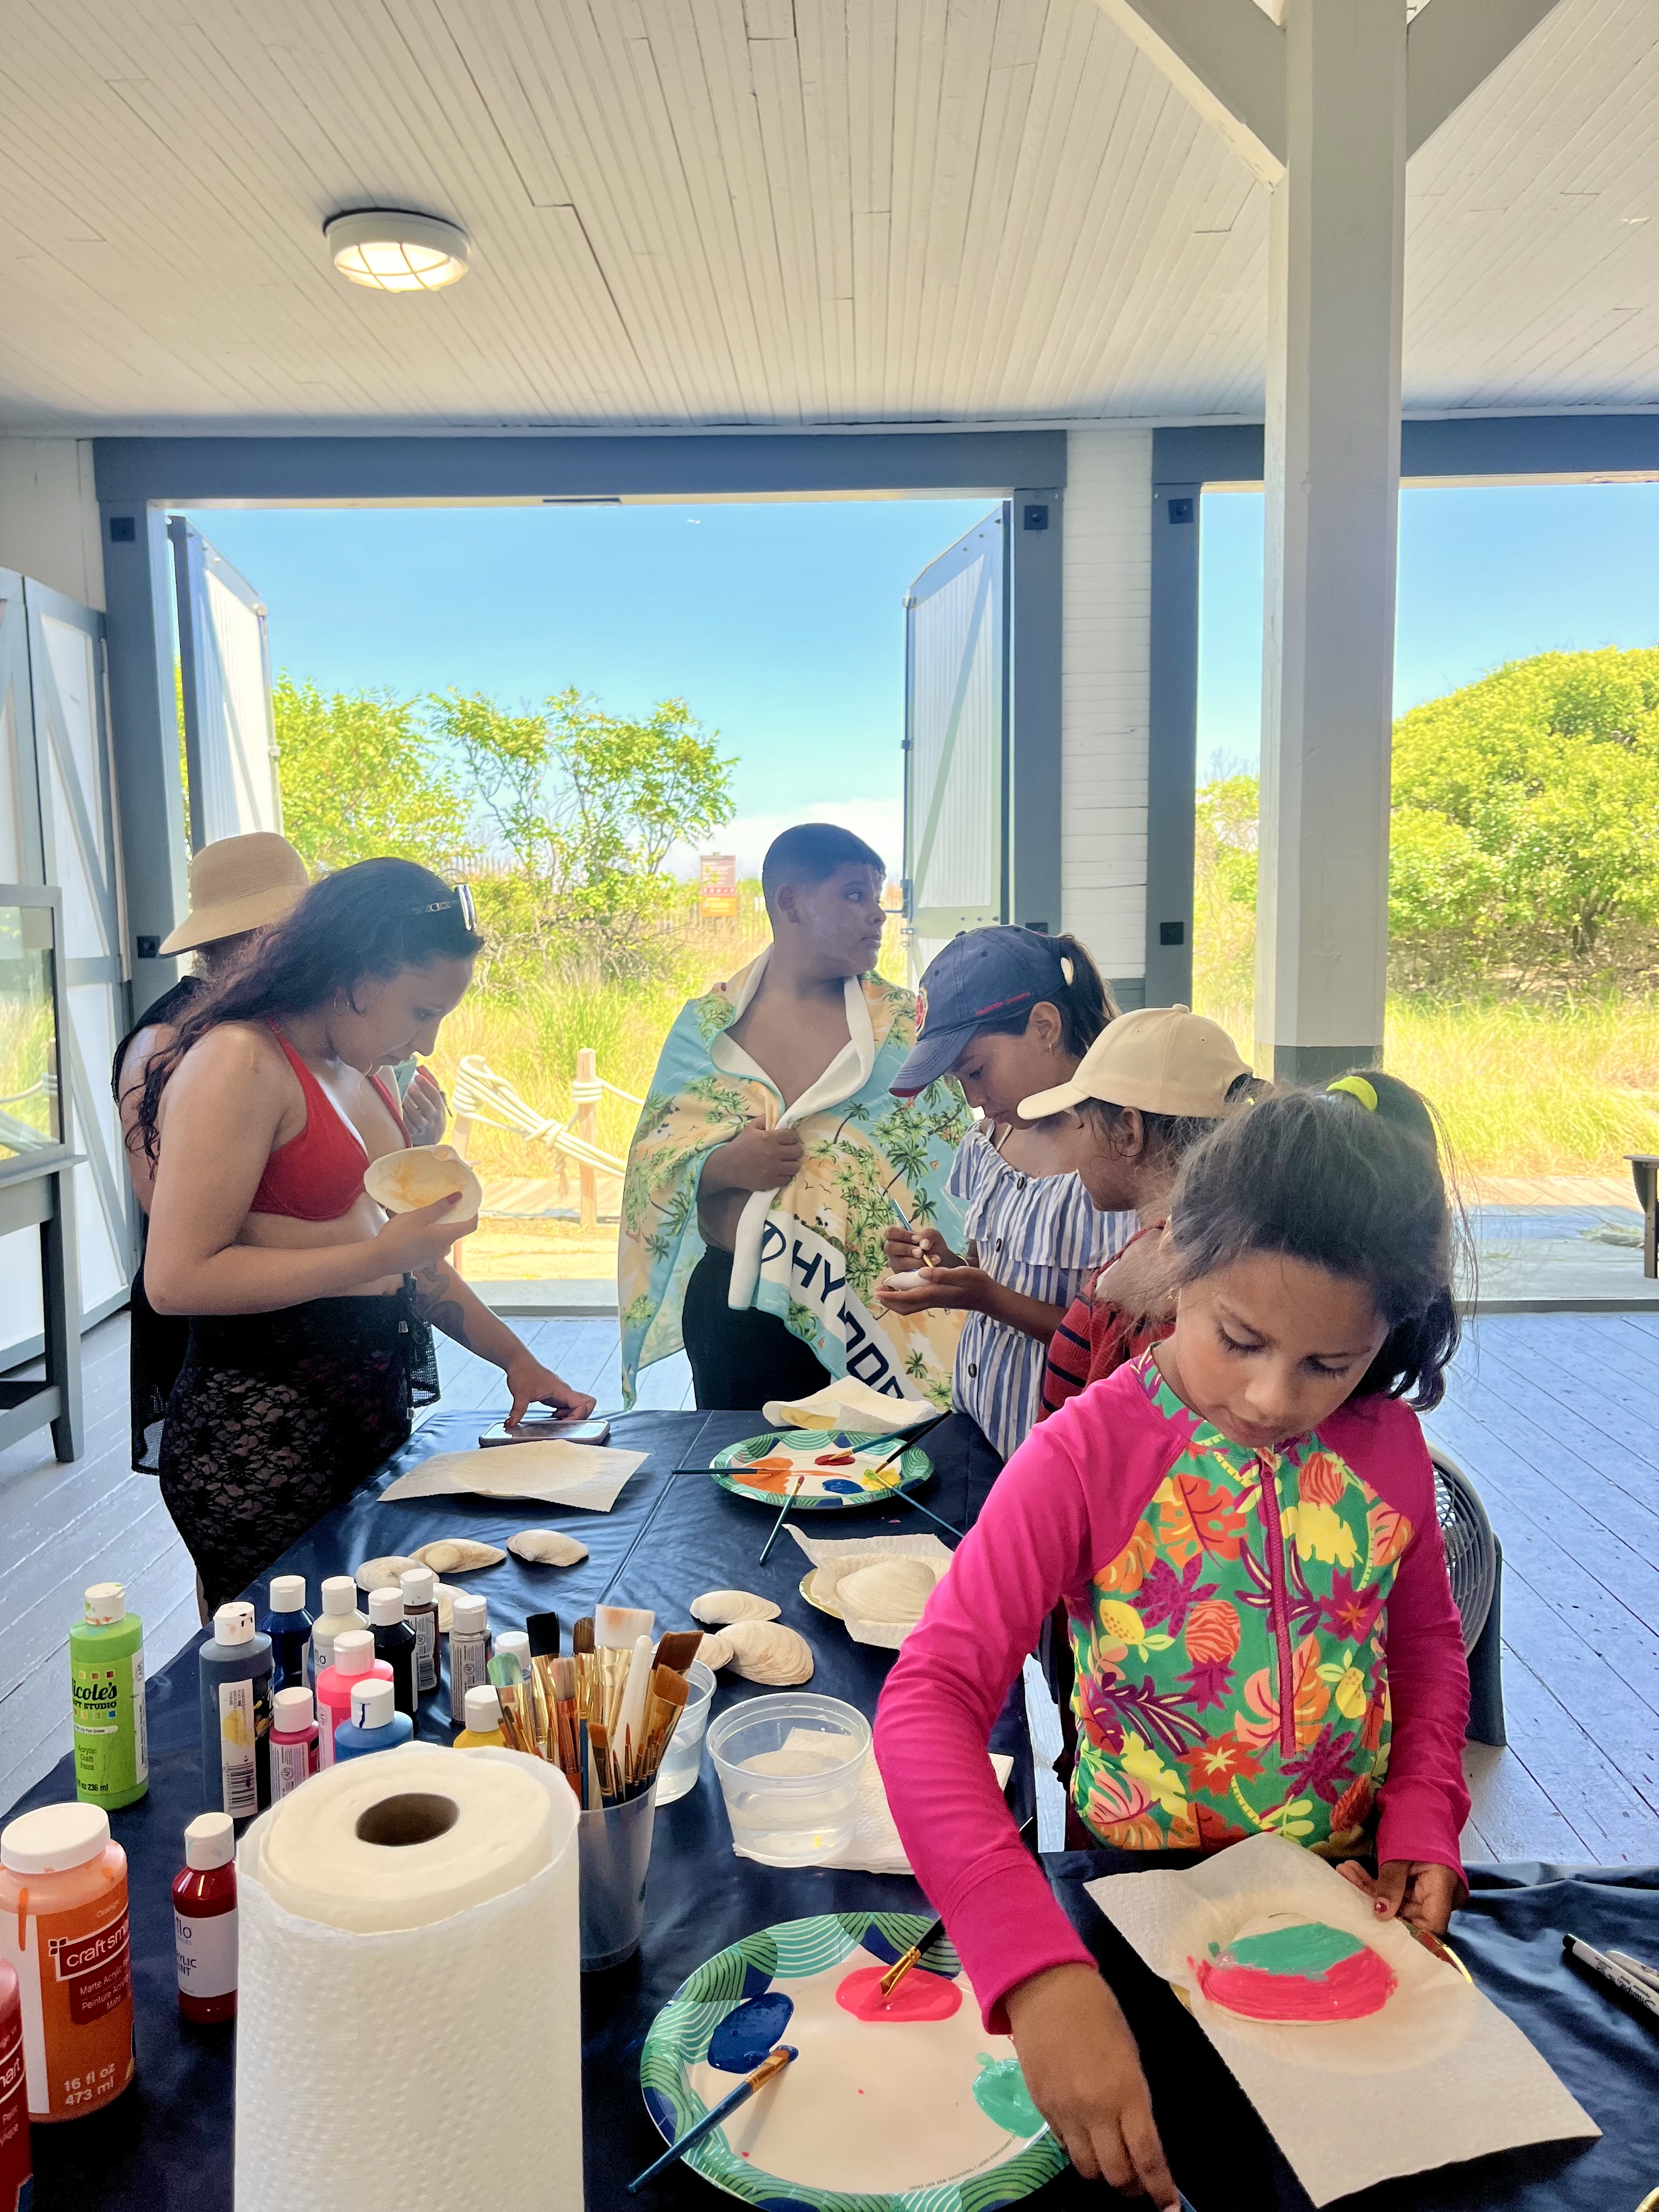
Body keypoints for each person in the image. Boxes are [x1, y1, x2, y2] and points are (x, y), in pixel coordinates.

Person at [874, 1075, 1470, 2206]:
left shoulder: (1388, 1452)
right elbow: (931, 1699)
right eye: (1238, 1338)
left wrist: (1426, 1809)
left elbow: (1429, 1650)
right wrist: (1031, 1963)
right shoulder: (1085, 1455)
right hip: (1138, 1919)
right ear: (1177, 1263)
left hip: (1341, 1910)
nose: (1268, 1394)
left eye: (1327, 1364)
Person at [136, 858, 595, 1611]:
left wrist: (517, 1360)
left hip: (366, 1412)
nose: (432, 1040)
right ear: (354, 975)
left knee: (374, 1669)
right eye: (420, 1012)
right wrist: (381, 1254)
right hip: (260, 1429)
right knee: (284, 1685)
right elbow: (179, 1278)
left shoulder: (364, 1071)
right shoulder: (240, 1059)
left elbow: (410, 1262)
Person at [620, 823, 970, 1411]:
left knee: (871, 1483)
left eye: (878, 898)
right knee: (740, 1477)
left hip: (867, 1305)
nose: (877, 915)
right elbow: (652, 1164)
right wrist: (724, 1164)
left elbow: (955, 1159)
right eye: (855, 895)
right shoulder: (708, 1028)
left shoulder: (907, 1026)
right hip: (735, 1311)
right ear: (790, 903)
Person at [878, 926, 1132, 1464]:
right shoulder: (997, 1134)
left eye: (976, 1070)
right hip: (980, 1426)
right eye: (958, 1081)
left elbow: (1117, 1344)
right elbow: (987, 1265)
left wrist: (985, 1298)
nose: (973, 1097)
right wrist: (945, 1267)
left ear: (1045, 1026)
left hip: (1056, 1459)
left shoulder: (1117, 1159)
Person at [113, 832, 312, 1471]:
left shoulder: (281, 1021)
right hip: (219, 1326)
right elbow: (158, 1196)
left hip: (304, 1316)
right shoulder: (167, 1039)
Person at [1028, 1004, 1257, 1417]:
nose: (1071, 1144)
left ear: (1128, 1131)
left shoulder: (1172, 1302)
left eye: (1079, 1121)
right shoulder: (1216, 1251)